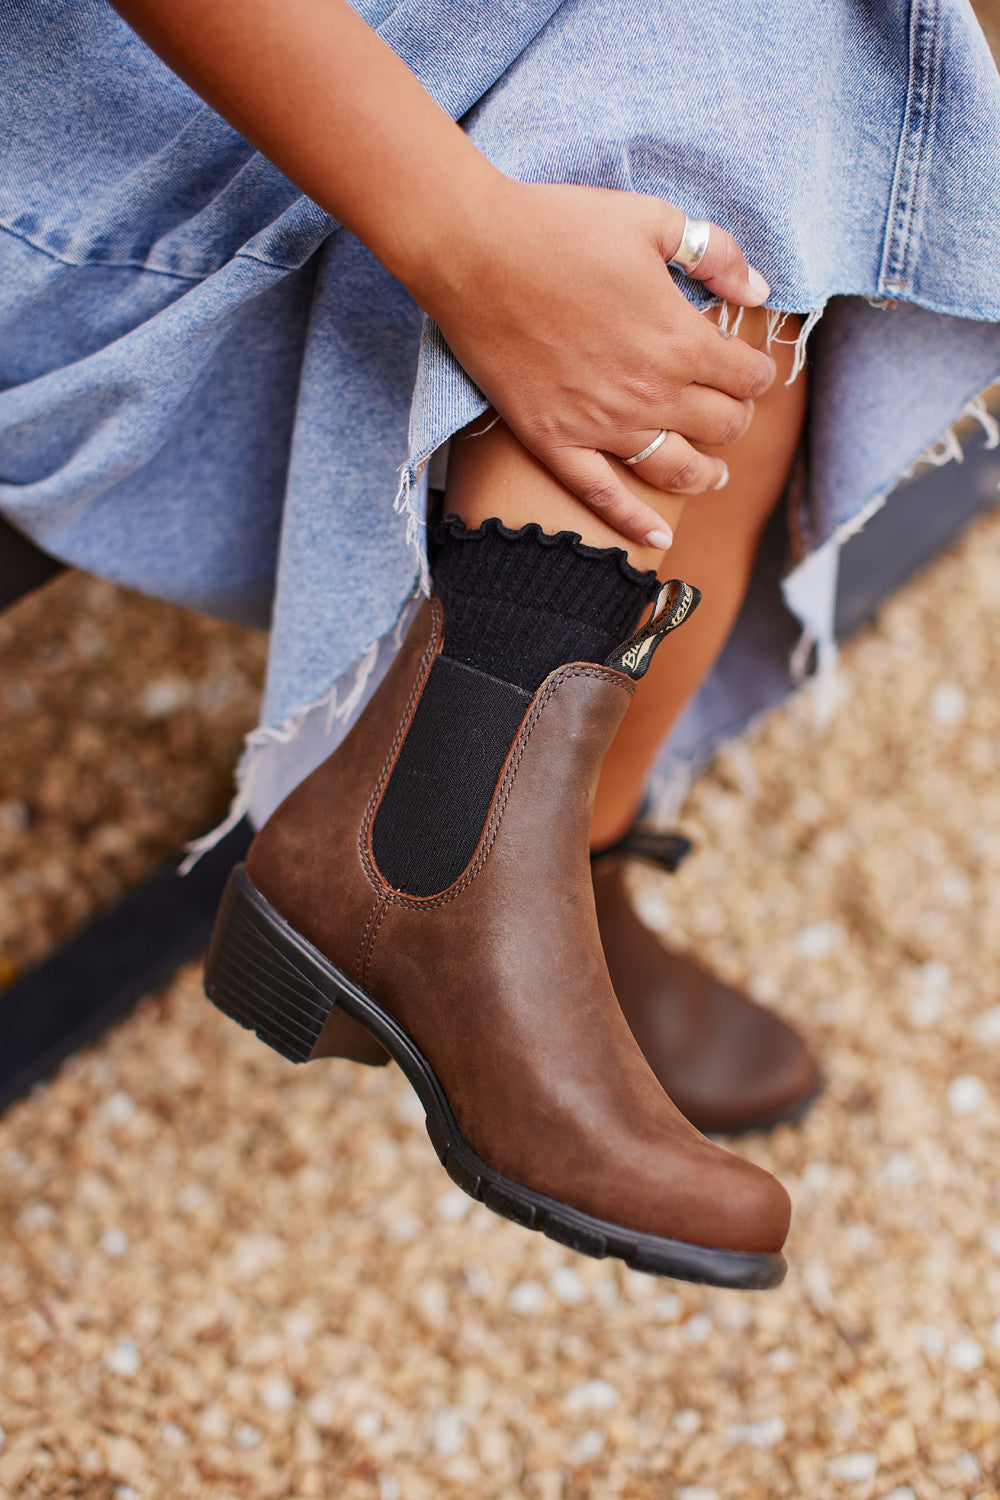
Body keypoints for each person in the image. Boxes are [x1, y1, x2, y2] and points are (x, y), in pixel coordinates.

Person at [2, 0, 998, 1287]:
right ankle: (453, 853)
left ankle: (527, 846)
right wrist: (469, 242)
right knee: (765, 47)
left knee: (744, 99)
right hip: (84, 181)